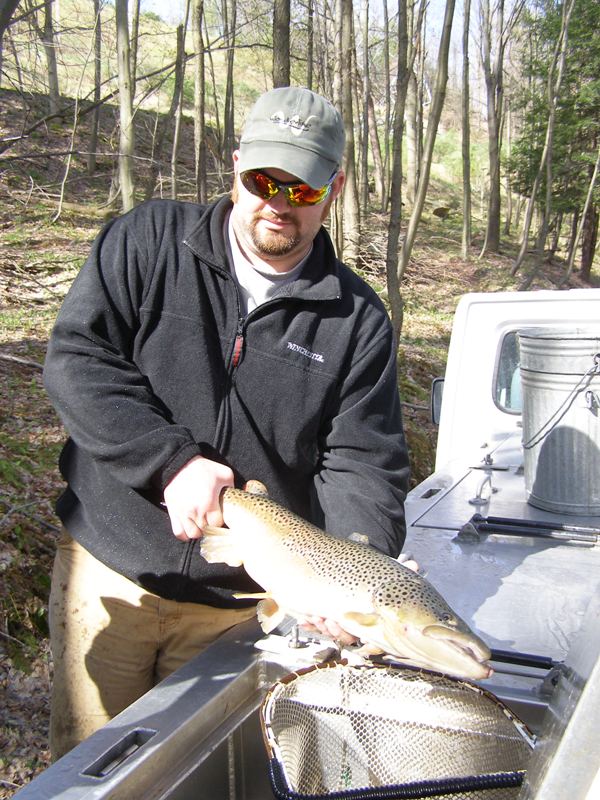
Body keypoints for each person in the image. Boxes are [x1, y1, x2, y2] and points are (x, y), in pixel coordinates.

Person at [43, 86, 410, 759]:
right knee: (90, 768)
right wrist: (170, 462)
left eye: (301, 189)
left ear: (336, 188)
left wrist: (354, 571)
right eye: (263, 179)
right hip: (110, 570)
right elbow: (77, 360)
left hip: (241, 603)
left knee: (197, 771)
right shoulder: (148, 241)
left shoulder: (357, 321)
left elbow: (363, 462)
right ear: (236, 166)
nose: (278, 201)